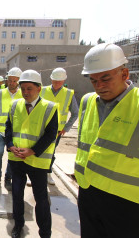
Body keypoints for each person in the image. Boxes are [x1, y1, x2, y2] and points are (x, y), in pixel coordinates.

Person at [75, 43, 139, 237]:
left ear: (124, 74)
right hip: (88, 191)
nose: (99, 86)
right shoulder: (87, 101)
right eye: (93, 80)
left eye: (105, 78)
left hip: (126, 202)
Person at [6, 70, 58, 238]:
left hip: (37, 161)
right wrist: (9, 145)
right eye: (23, 88)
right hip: (17, 159)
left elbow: (51, 134)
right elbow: (8, 128)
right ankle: (18, 226)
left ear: (39, 89)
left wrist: (32, 151)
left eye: (29, 88)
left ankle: (45, 232)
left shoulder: (49, 108)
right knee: (17, 195)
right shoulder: (15, 105)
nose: (26, 92)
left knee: (41, 199)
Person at [40, 67, 78, 185]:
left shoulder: (68, 94)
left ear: (64, 81)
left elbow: (75, 113)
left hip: (56, 131)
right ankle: (35, 174)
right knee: (37, 151)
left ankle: (48, 173)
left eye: (59, 81)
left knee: (51, 152)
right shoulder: (42, 90)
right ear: (51, 79)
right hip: (40, 128)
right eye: (55, 81)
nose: (57, 83)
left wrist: (66, 128)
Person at [0, 67, 22, 191]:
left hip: (15, 133)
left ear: (18, 81)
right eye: (10, 80)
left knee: (12, 157)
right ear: (7, 80)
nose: (12, 83)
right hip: (0, 131)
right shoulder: (0, 92)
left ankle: (8, 178)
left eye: (15, 81)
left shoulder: (22, 94)